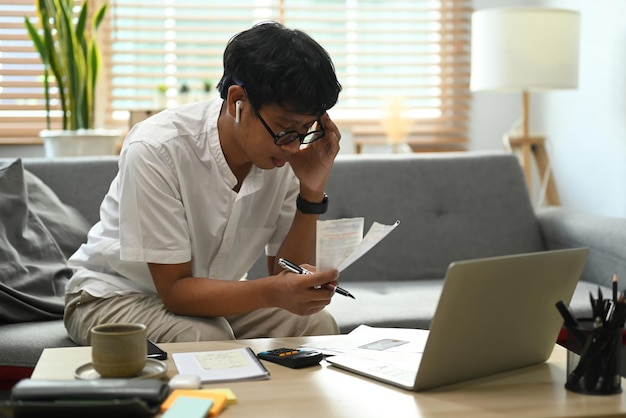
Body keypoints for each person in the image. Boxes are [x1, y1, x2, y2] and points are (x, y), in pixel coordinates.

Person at [64, 21, 343, 345]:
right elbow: (176, 292)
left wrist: (311, 192)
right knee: (205, 338)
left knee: (316, 325)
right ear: (237, 101)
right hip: (113, 296)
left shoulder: (281, 153)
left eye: (306, 130)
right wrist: (274, 292)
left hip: (208, 301)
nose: (295, 146)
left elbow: (284, 274)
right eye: (286, 129)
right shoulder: (158, 148)